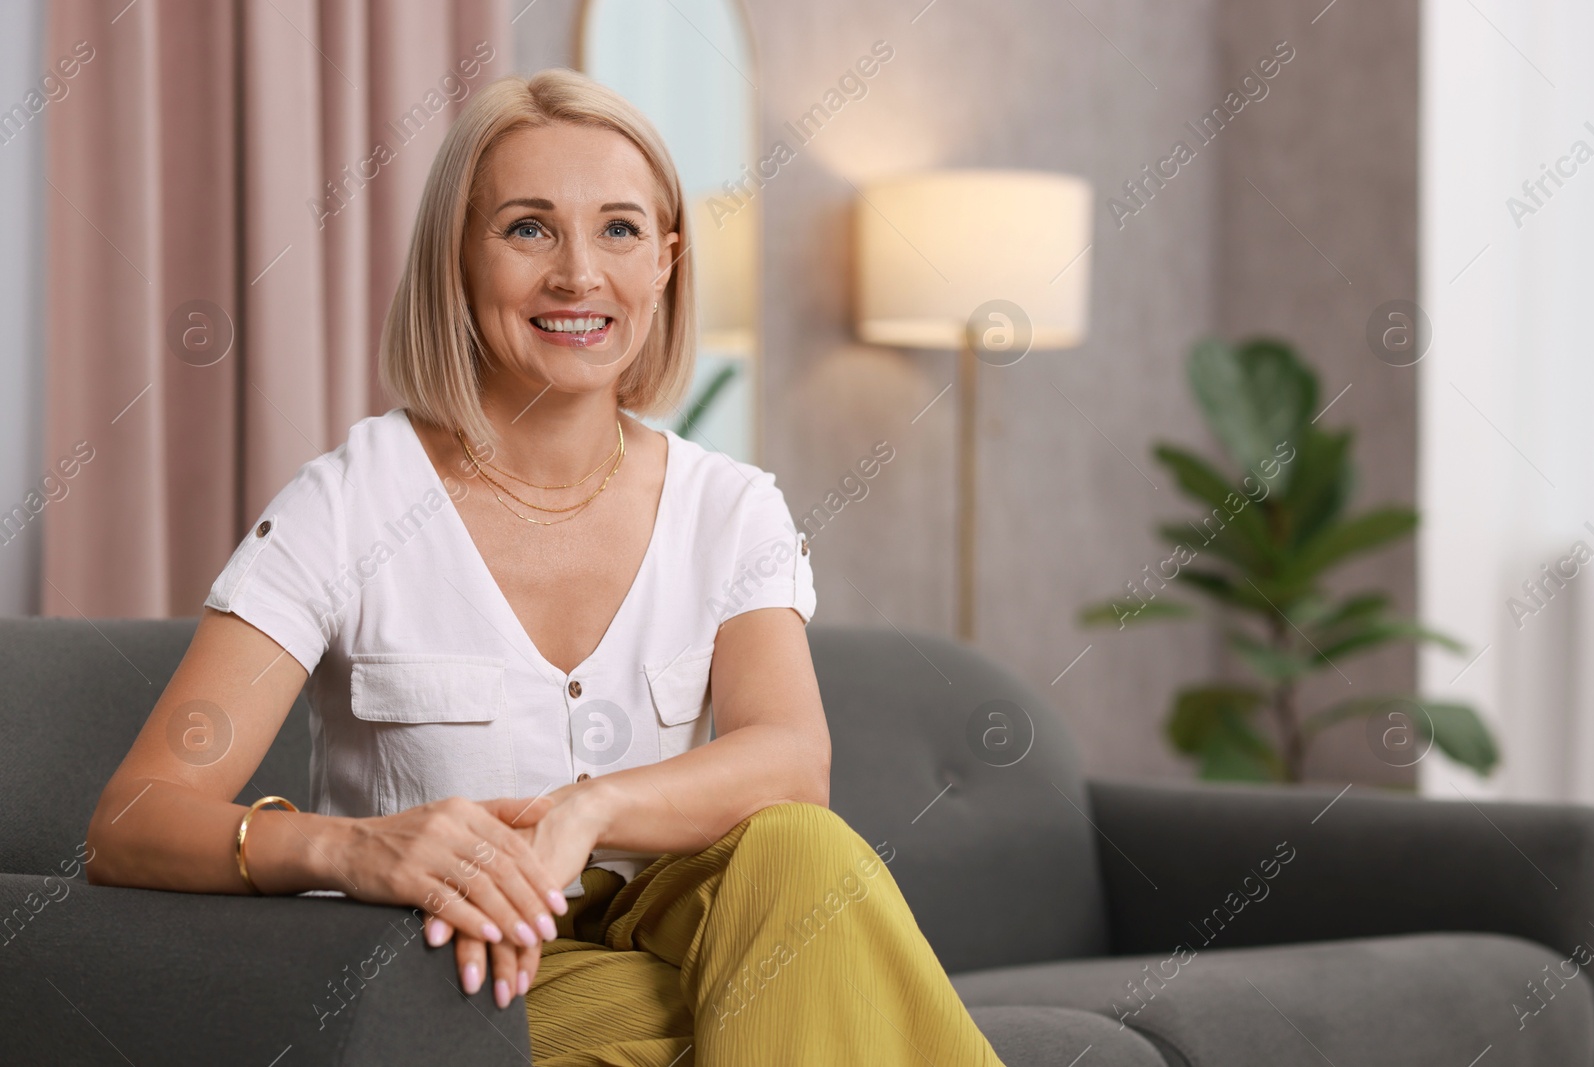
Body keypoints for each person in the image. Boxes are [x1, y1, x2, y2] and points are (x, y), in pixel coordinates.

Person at [86, 67, 1005, 1065]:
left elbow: (791, 761)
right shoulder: (348, 502)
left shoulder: (730, 507)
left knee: (802, 849)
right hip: (452, 979)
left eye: (618, 229)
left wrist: (592, 804)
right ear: (459, 259)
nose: (577, 276)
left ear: (665, 260)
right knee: (803, 994)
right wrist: (351, 849)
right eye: (529, 228)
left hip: (678, 929)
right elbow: (132, 820)